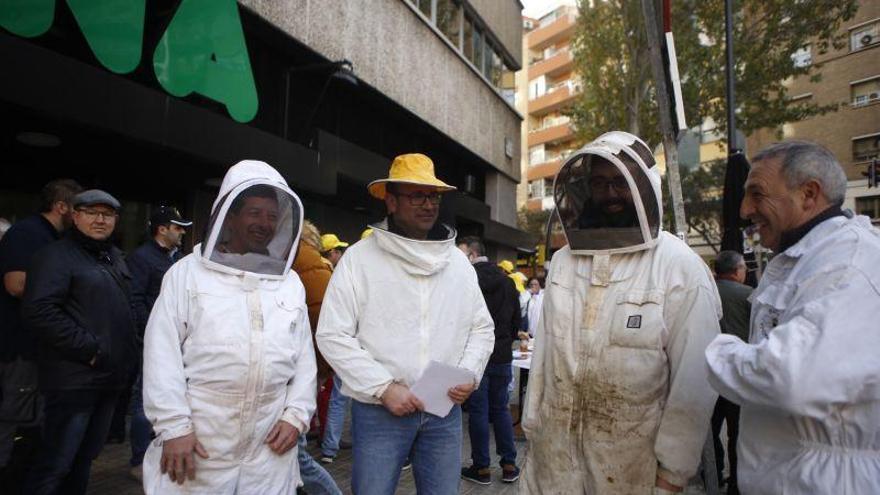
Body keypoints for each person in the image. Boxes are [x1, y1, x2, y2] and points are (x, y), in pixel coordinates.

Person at [520, 131, 722, 494]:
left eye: (620, 182)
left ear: (645, 186)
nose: (610, 193)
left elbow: (693, 382)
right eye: (599, 183)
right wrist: (533, 427)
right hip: (554, 463)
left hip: (632, 469)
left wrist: (673, 474)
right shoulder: (565, 260)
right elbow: (546, 354)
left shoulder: (680, 269)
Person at [705, 140, 880, 495]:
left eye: (757, 194)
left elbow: (790, 377)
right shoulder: (801, 258)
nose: (744, 209)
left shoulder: (849, 264)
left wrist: (714, 352)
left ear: (809, 194)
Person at [316, 153, 495, 494]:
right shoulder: (359, 259)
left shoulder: (457, 263)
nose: (428, 205)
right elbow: (333, 334)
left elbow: (481, 329)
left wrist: (468, 373)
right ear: (392, 201)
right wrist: (383, 387)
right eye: (417, 196)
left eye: (433, 196)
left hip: (444, 410)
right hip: (380, 412)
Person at [142, 160, 317, 494]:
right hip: (201, 440)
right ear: (230, 216)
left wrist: (296, 415)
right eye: (254, 212)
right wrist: (174, 427)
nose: (264, 223)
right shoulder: (186, 274)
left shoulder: (289, 282)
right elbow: (161, 356)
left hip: (269, 444)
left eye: (271, 215)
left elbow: (304, 359)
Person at [22, 189, 137, 495]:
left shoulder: (114, 257)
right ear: (74, 216)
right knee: (55, 464)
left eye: (108, 214)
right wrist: (90, 349)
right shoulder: (55, 256)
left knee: (84, 460)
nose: (100, 220)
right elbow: (40, 311)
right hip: (73, 381)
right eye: (91, 212)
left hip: (108, 379)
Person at [0, 179, 81, 485]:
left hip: (37, 348)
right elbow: (16, 284)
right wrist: (68, 292)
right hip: (17, 346)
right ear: (61, 207)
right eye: (79, 209)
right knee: (13, 419)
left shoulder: (53, 238)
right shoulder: (29, 233)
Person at [124, 205, 192, 481]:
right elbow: (135, 299)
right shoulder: (142, 258)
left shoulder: (176, 259)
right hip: (152, 344)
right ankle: (138, 459)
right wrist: (150, 335)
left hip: (178, 344)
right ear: (161, 229)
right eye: (177, 227)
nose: (182, 232)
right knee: (144, 401)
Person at [457, 236, 521, 485]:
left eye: (463, 254)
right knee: (501, 409)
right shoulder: (507, 281)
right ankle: (509, 464)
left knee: (478, 412)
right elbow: (517, 320)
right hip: (503, 354)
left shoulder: (466, 279)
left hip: (476, 356)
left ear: (473, 255)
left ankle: (481, 467)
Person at [291, 220, 342, 495]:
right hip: (299, 369)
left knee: (295, 456)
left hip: (296, 371)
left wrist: (318, 372)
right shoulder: (308, 262)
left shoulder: (303, 262)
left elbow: (324, 320)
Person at [710, 250, 751, 495]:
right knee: (737, 433)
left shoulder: (707, 291)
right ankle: (736, 484)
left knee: (709, 429)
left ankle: (712, 475)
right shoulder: (749, 296)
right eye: (744, 268)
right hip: (737, 376)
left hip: (708, 375)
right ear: (736, 271)